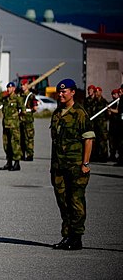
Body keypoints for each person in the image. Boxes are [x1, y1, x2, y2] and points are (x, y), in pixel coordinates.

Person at [49, 78, 94, 251]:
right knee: (63, 202)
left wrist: (85, 163)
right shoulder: (58, 113)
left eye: (64, 91)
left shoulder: (80, 113)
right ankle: (67, 236)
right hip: (59, 166)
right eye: (59, 92)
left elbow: (88, 139)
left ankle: (76, 238)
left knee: (76, 202)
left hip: (76, 166)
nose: (60, 94)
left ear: (73, 92)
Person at [0, 81, 23, 171]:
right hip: (6, 125)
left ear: (14, 88)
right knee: (6, 144)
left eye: (10, 88)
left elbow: (23, 111)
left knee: (15, 144)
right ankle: (9, 162)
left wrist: (18, 121)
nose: (9, 89)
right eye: (8, 88)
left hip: (14, 126)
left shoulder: (17, 99)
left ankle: (17, 163)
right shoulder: (6, 99)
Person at [20, 84, 37, 161]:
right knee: (21, 137)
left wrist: (29, 112)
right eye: (21, 85)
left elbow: (35, 108)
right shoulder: (20, 95)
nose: (22, 86)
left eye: (24, 85)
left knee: (29, 137)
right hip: (20, 119)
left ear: (27, 86)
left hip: (28, 119)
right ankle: (22, 154)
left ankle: (30, 154)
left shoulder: (31, 96)